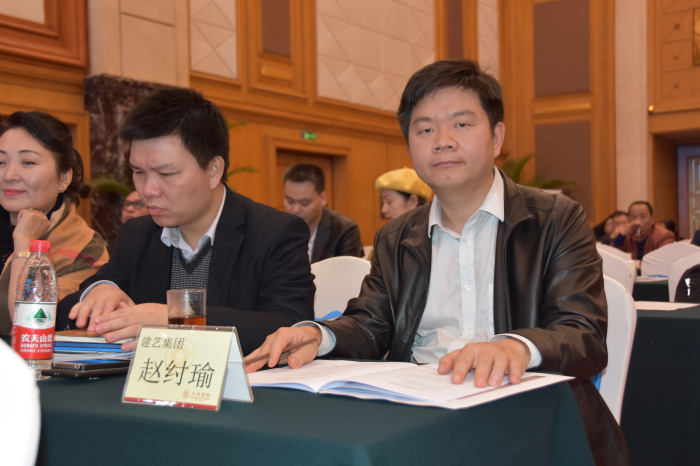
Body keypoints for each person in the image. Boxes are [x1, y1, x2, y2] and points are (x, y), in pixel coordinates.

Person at [247, 59, 629, 464]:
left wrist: (517, 346)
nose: (442, 141)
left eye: (461, 124)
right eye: (425, 129)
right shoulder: (396, 237)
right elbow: (371, 325)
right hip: (417, 419)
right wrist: (319, 335)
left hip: (525, 419)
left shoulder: (555, 219)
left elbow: (583, 334)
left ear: (497, 137)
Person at [56, 88, 315, 354]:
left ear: (213, 170)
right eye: (138, 172)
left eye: (166, 174)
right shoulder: (138, 234)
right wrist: (101, 290)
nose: (148, 190)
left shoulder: (274, 233)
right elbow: (64, 316)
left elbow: (292, 324)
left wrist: (179, 319)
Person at [0, 111, 108, 338]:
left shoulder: (85, 248)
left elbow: (29, 324)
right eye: (1, 162)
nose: (9, 175)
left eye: (28, 162)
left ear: (64, 177)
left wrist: (25, 244)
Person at [283, 164, 363, 263]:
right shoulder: (278, 229)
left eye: (304, 203)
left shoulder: (344, 230)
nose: (296, 209)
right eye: (290, 201)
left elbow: (347, 271)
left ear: (323, 198)